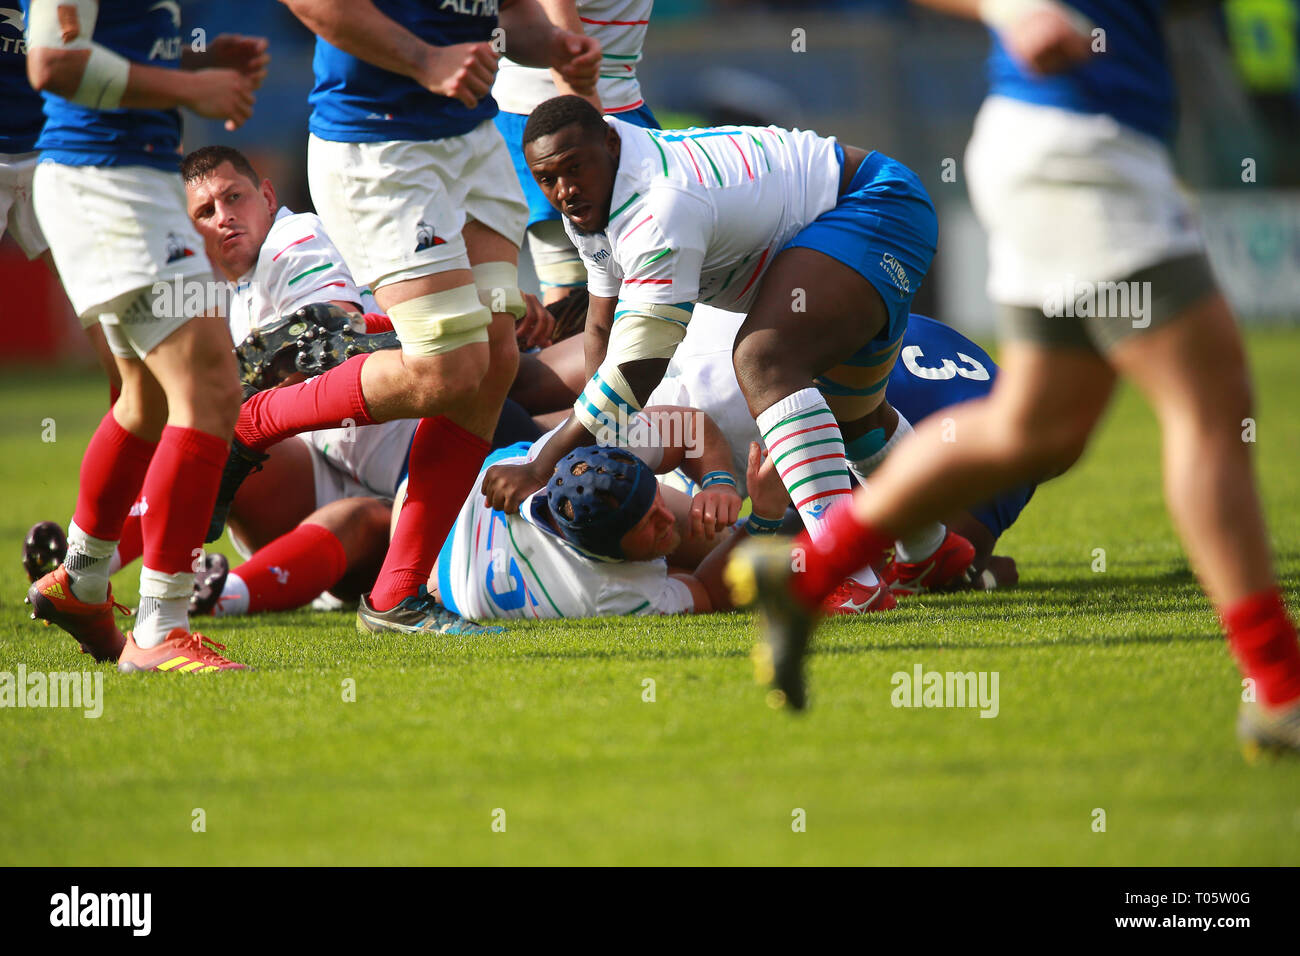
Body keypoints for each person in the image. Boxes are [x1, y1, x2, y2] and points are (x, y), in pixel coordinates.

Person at [729, 0, 1300, 760]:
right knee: (1209, 411)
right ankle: (1281, 690)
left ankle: (809, 575)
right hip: (1084, 152)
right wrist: (1015, 7)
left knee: (1033, 430)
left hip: (1074, 151)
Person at [481, 95, 975, 611]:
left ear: (609, 143)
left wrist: (544, 466)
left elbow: (637, 368)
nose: (564, 190)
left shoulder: (658, 206)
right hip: (854, 216)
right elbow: (600, 323)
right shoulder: (594, 199)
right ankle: (929, 550)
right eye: (547, 178)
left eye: (572, 169)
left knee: (765, 360)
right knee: (855, 420)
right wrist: (602, 442)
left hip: (875, 204)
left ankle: (848, 574)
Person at [210, 0, 600, 637]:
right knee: (449, 369)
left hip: (472, 140)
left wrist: (556, 45)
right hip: (379, 143)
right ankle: (252, 422)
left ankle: (395, 598)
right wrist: (426, 58)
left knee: (496, 363)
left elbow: (508, 18)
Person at [21, 0, 265, 673]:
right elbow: (52, 62)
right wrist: (196, 88)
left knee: (146, 400)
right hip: (109, 188)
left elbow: (107, 48)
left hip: (132, 180)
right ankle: (160, 628)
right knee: (211, 389)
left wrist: (195, 63)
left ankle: (81, 577)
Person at [434, 406, 788, 620]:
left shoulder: (593, 452)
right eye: (649, 522)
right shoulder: (607, 595)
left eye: (656, 504)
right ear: (604, 553)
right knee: (728, 560)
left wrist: (718, 483)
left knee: (707, 537)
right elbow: (707, 592)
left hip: (466, 492)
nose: (665, 518)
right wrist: (765, 517)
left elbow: (688, 426)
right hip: (443, 562)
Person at [493, 0, 659, 304]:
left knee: (646, 272)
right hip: (550, 123)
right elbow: (564, 53)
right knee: (572, 289)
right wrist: (592, 144)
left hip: (621, 108)